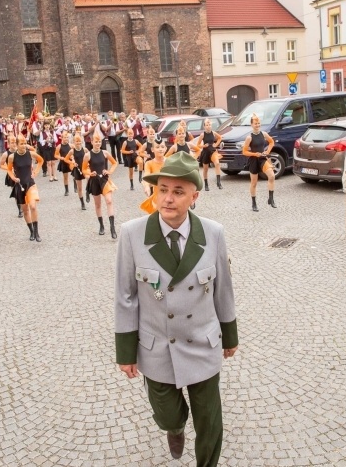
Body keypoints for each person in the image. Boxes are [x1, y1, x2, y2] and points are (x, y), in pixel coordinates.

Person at [115, 151, 238, 467]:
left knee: (210, 421)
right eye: (162, 190)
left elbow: (223, 288)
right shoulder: (131, 234)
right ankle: (175, 427)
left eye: (178, 192)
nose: (168, 199)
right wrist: (126, 352)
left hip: (203, 341)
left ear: (194, 196)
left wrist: (230, 335)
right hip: (157, 346)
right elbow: (126, 296)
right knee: (168, 416)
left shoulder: (213, 233)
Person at [7, 134, 45, 242]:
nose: (23, 146)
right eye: (21, 144)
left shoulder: (31, 153)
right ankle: (31, 231)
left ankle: (37, 232)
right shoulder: (12, 157)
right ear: (17, 144)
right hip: (20, 185)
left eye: (25, 143)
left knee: (33, 206)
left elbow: (41, 160)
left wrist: (36, 172)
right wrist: (13, 178)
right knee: (25, 210)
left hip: (30, 184)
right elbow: (9, 170)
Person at [83, 134, 119, 238]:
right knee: (98, 204)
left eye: (99, 141)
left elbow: (115, 163)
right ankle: (101, 225)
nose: (98, 143)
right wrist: (90, 174)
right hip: (94, 181)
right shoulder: (88, 155)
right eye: (96, 141)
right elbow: (84, 169)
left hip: (104, 180)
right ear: (92, 142)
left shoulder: (105, 153)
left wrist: (109, 171)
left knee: (109, 200)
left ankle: (112, 227)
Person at [241, 115, 276, 211]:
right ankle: (254, 203)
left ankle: (271, 198)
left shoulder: (264, 134)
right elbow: (244, 152)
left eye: (259, 123)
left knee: (272, 176)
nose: (257, 125)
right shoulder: (249, 137)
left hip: (262, 158)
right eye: (255, 123)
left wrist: (267, 151)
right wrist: (254, 154)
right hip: (253, 160)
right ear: (252, 124)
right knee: (254, 183)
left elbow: (271, 142)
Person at [139, 138, 167, 214]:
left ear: (165, 148)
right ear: (152, 149)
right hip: (156, 194)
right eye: (157, 147)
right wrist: (146, 187)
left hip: (168, 195)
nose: (160, 149)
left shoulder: (170, 161)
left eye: (162, 147)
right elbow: (146, 175)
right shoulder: (149, 163)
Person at [0, 136, 24, 218]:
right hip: (12, 175)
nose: (14, 144)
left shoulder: (20, 151)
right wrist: (9, 168)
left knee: (24, 191)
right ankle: (20, 209)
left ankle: (24, 206)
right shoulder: (5, 154)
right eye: (12, 143)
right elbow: (1, 165)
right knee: (16, 193)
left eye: (15, 142)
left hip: (22, 174)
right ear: (8, 144)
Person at [197, 119, 223, 191]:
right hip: (205, 152)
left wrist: (216, 144)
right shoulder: (202, 135)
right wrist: (203, 146)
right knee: (206, 169)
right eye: (207, 125)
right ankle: (206, 184)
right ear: (204, 126)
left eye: (209, 125)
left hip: (213, 150)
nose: (208, 127)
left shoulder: (213, 133)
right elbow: (198, 145)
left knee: (217, 163)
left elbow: (220, 137)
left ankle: (218, 182)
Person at [64, 133, 88, 211]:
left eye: (79, 141)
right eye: (76, 141)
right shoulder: (72, 151)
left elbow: (89, 158)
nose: (78, 143)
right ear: (74, 142)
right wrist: (72, 163)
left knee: (89, 180)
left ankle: (88, 192)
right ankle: (82, 203)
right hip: (77, 170)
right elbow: (66, 159)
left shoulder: (84, 149)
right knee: (79, 188)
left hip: (84, 168)